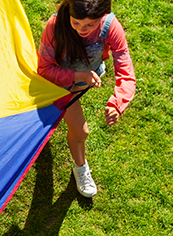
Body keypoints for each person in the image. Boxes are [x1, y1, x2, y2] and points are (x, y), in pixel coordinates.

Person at [37, 0, 136, 198]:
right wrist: (78, 76)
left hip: (83, 81)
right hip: (58, 83)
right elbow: (45, 69)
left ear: (103, 16)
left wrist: (118, 103)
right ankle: (80, 167)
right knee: (81, 132)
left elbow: (125, 69)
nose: (83, 30)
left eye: (90, 25)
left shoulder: (111, 27)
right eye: (76, 23)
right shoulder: (55, 26)